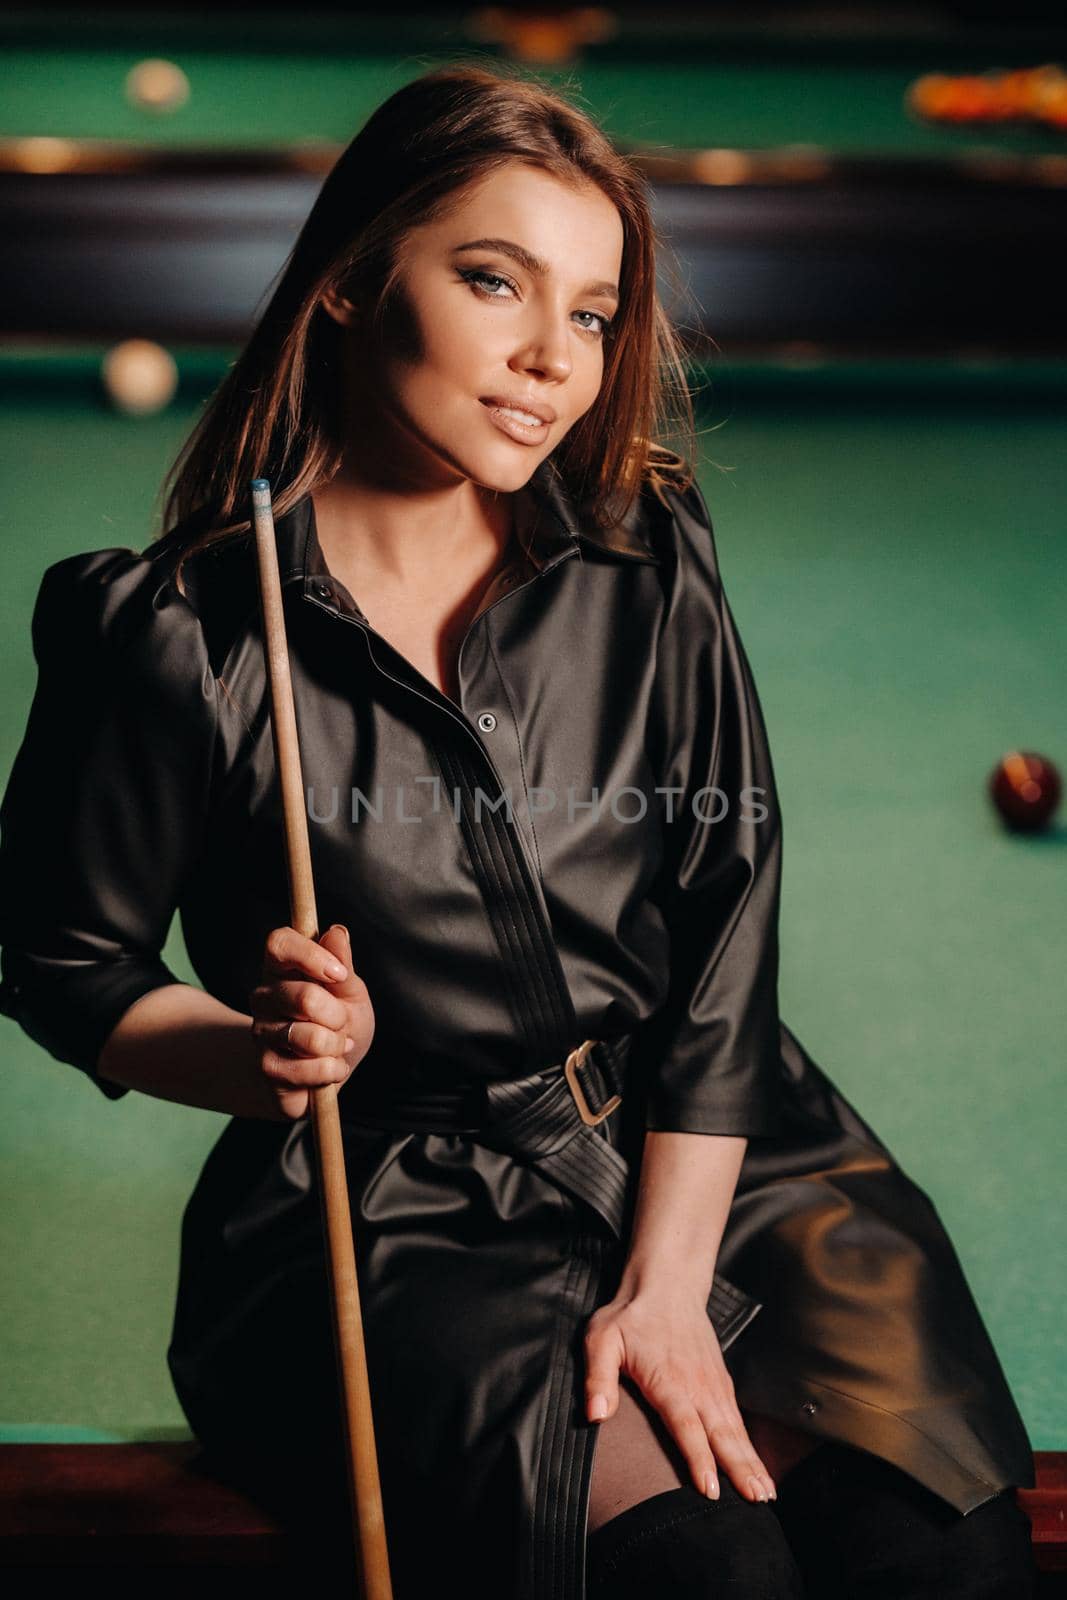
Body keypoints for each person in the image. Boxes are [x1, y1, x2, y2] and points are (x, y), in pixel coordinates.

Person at [0, 63, 1037, 1600]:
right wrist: (254, 1052)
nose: (554, 360)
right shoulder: (186, 633)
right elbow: (59, 956)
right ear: (354, 281)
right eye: (497, 282)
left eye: (594, 313)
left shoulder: (647, 553)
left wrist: (671, 1284)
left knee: (945, 1568)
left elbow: (725, 944)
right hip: (398, 1227)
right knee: (715, 1575)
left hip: (724, 1161)